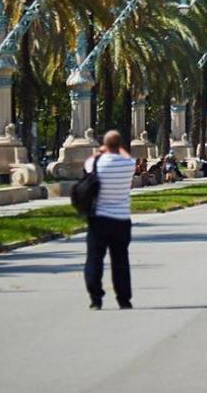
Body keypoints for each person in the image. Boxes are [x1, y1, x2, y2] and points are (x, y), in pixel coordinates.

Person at [84, 130, 135, 310]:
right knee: (121, 260)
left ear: (104, 145)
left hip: (99, 218)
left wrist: (101, 151)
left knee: (94, 259)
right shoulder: (128, 164)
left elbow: (89, 164)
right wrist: (118, 148)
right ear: (120, 145)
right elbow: (127, 156)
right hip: (121, 219)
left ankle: (96, 299)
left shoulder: (95, 163)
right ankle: (124, 299)